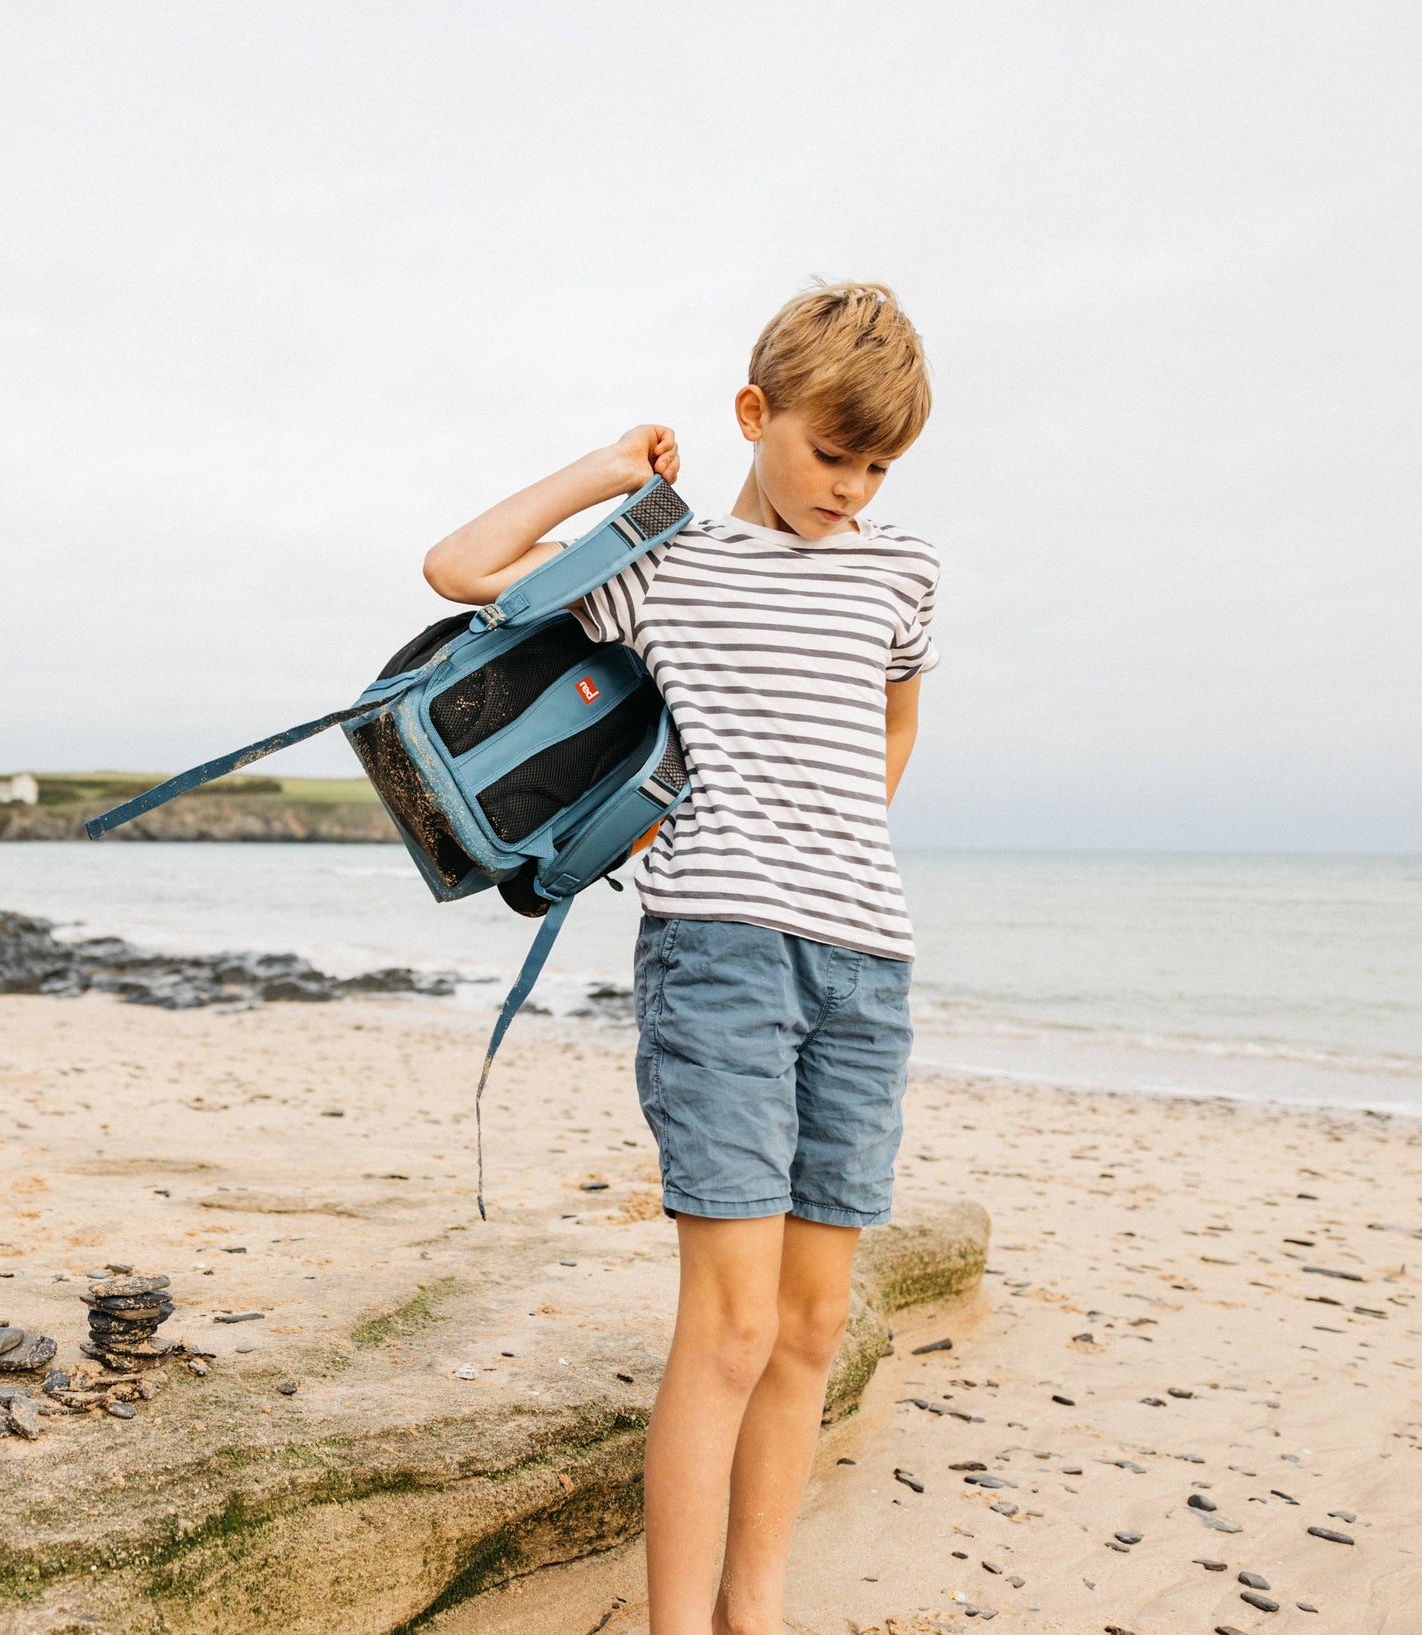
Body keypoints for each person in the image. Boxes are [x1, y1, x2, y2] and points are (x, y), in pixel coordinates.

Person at [421, 282, 938, 1635]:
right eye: (833, 454)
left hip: (868, 964)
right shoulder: (666, 562)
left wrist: (832, 842)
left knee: (813, 1325)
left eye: (879, 468)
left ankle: (750, 1612)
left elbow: (892, 725)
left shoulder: (904, 572)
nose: (853, 490)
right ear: (755, 415)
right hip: (721, 956)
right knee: (732, 1325)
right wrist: (608, 471)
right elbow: (461, 569)